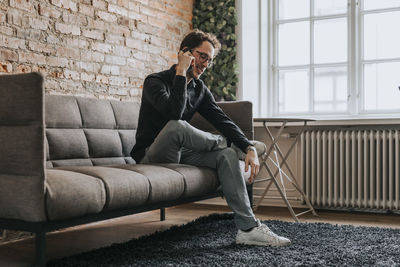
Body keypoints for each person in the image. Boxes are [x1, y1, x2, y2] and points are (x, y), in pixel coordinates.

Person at [131, 29, 290, 246]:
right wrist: (181, 71)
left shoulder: (199, 89)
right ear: (185, 52)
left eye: (210, 60)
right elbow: (174, 115)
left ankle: (248, 228)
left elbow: (222, 120)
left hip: (179, 155)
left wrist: (249, 148)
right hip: (151, 155)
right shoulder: (155, 82)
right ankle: (227, 144)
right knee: (177, 126)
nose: (206, 64)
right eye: (202, 56)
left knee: (226, 155)